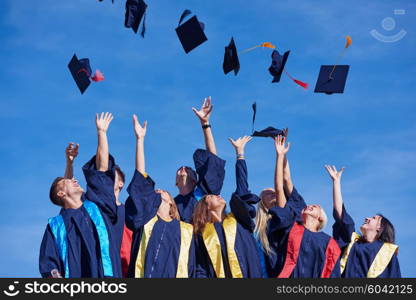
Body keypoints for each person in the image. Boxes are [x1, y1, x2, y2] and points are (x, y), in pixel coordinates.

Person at [125, 114, 195, 278]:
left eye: (163, 191)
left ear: (172, 202)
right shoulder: (145, 221)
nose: (158, 191)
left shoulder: (186, 230)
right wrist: (140, 140)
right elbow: (140, 180)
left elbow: (192, 267)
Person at [39, 140, 122, 278]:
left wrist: (101, 133)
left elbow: (101, 171)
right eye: (70, 181)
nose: (76, 180)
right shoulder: (57, 225)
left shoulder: (97, 207)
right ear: (61, 194)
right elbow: (49, 262)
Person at [264, 135, 341, 278]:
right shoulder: (290, 226)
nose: (311, 205)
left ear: (320, 218)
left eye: (317, 206)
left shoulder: (330, 244)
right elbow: (281, 186)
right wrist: (281, 155)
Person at [193, 135, 262, 278]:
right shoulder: (202, 234)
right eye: (211, 196)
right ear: (206, 208)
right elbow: (201, 267)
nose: (218, 195)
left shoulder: (238, 219)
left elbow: (242, 188)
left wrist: (240, 154)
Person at [325, 165, 401, 278]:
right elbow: (340, 215)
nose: (367, 218)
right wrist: (336, 182)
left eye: (374, 218)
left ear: (380, 228)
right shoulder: (352, 242)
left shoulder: (387, 253)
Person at [81, 112, 133, 278]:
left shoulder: (130, 211)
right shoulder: (94, 206)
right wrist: (101, 133)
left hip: (126, 269)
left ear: (120, 183)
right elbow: (102, 168)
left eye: (113, 176)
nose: (107, 178)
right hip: (98, 268)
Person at [174, 97, 226, 223]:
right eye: (180, 169)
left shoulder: (202, 195)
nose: (183, 168)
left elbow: (213, 159)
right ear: (176, 182)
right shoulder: (172, 203)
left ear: (195, 180)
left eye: (189, 169)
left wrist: (205, 125)